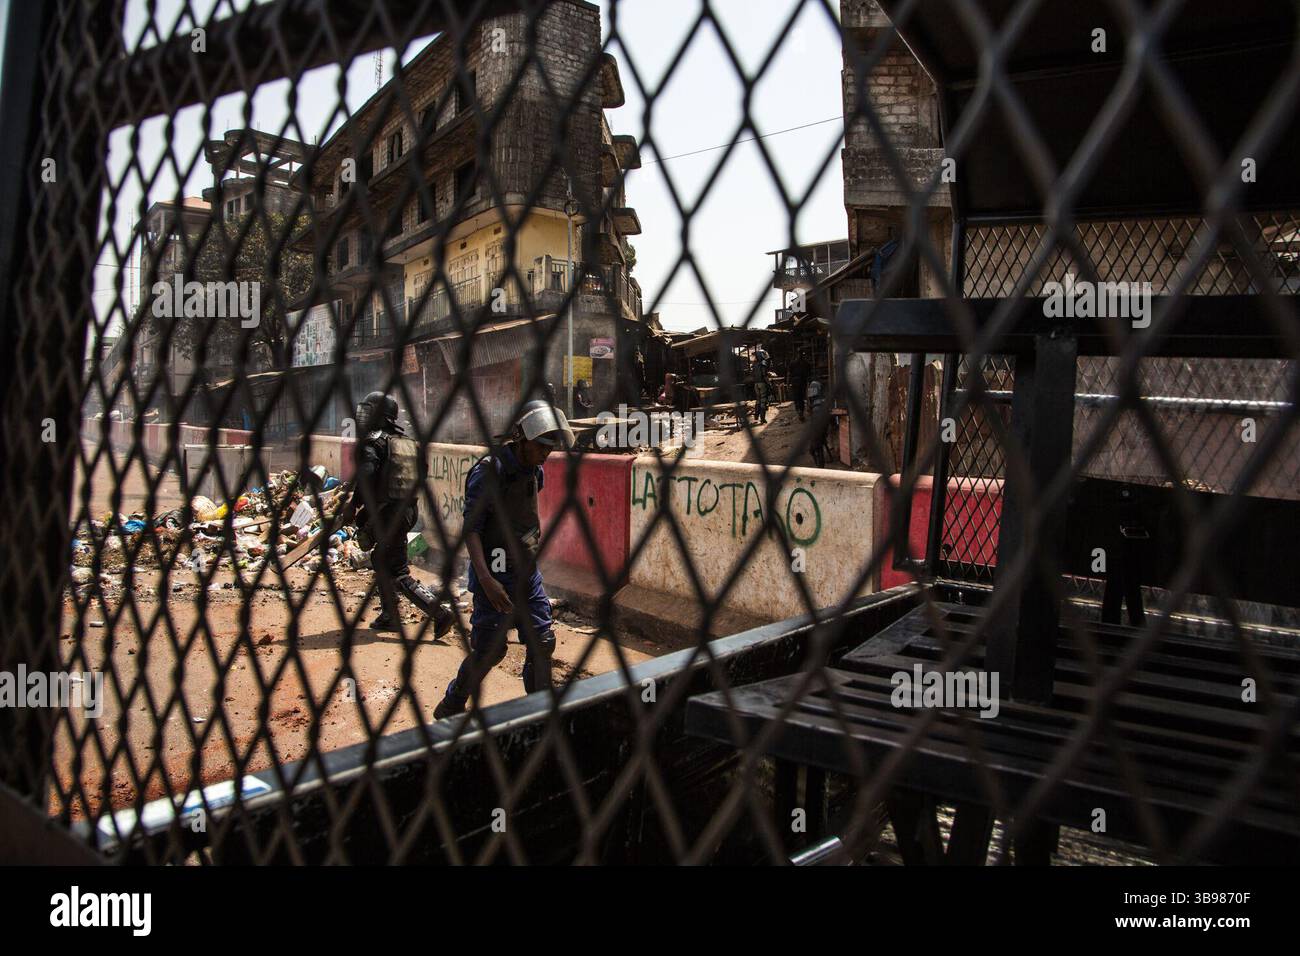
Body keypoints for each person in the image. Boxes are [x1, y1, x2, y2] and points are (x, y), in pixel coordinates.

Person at [433, 399, 575, 719]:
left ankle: (537, 713)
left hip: (526, 571)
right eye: (540, 446)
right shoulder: (488, 472)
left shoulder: (533, 470)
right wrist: (487, 580)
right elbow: (472, 529)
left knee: (542, 642)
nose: (545, 454)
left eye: (550, 448)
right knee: (490, 651)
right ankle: (453, 702)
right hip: (495, 571)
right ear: (521, 437)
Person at [351, 391, 455, 636]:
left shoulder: (373, 442)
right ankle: (389, 615)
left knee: (397, 569)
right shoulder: (407, 443)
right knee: (380, 559)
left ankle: (439, 613)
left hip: (386, 514)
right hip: (406, 512)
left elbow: (366, 476)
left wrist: (353, 506)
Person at [806, 379, 831, 467]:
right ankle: (820, 465)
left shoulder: (816, 406)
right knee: (817, 446)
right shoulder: (823, 402)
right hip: (823, 429)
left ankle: (820, 466)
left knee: (814, 449)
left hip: (818, 430)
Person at [788, 349, 812, 421]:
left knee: (797, 397)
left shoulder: (793, 363)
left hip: (796, 382)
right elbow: (809, 374)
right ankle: (800, 411)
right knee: (800, 397)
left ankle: (799, 411)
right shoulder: (806, 363)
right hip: (801, 382)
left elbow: (789, 374)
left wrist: (788, 382)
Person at [751, 344, 772, 424]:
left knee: (758, 400)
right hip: (762, 383)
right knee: (763, 401)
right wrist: (769, 383)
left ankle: (756, 416)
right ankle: (762, 418)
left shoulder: (754, 364)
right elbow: (764, 374)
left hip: (756, 384)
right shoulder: (762, 363)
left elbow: (753, 375)